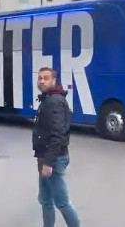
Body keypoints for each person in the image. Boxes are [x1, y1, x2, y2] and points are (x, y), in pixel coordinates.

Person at [33, 67, 80, 227]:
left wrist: (48, 162)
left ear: (54, 81)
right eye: (39, 78)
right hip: (46, 157)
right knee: (46, 200)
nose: (41, 81)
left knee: (62, 202)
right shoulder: (49, 99)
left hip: (53, 159)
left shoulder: (53, 101)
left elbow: (57, 134)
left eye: (46, 78)